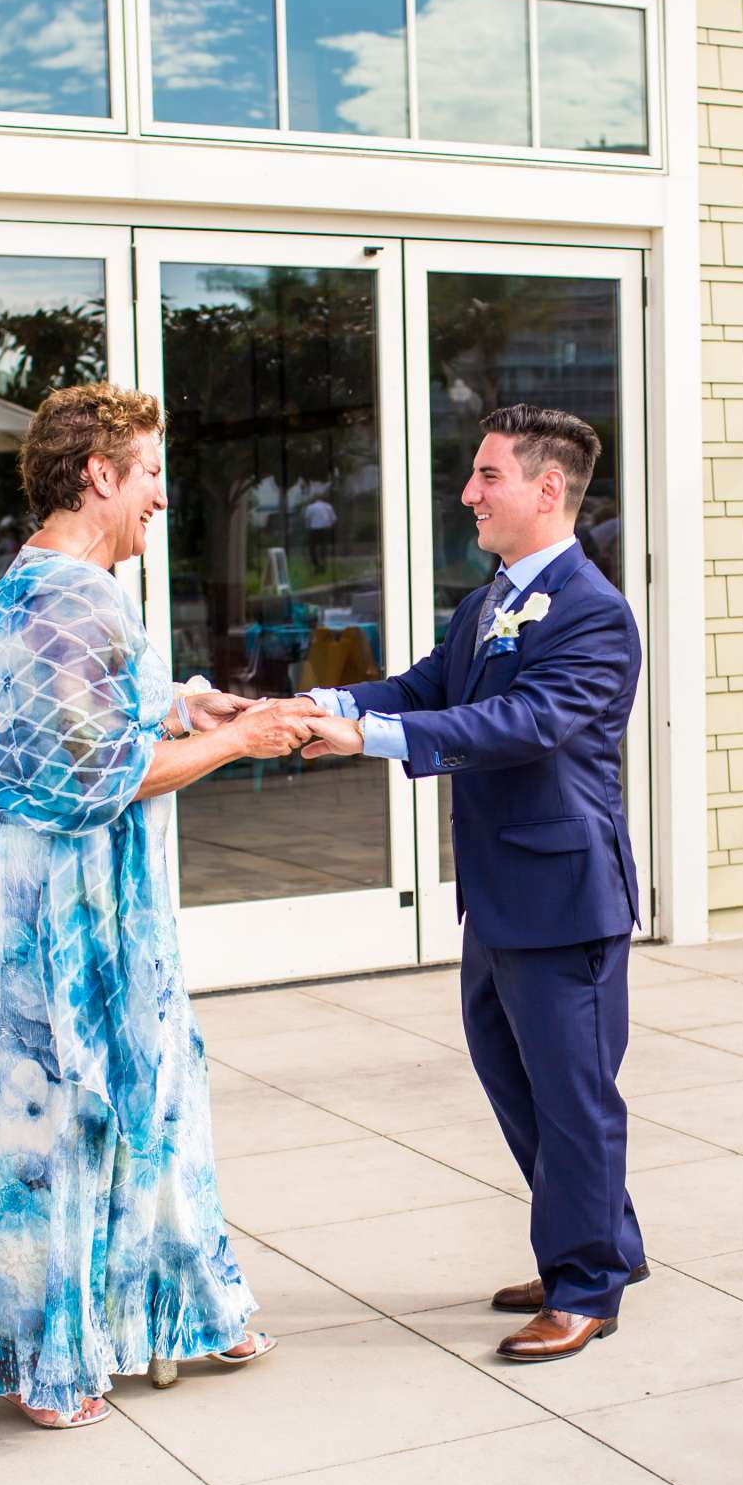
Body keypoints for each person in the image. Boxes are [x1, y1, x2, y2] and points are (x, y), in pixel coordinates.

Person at [0, 381, 312, 1431]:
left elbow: (110, 709)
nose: (161, 494)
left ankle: (184, 1308)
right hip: (63, 903)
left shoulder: (73, 589)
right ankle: (46, 1356)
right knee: (62, 1108)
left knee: (152, 1081)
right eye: (149, 472)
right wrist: (236, 741)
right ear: (98, 473)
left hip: (101, 896)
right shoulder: (63, 595)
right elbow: (91, 773)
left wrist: (194, 701)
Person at [302, 404, 643, 1363]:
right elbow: (430, 686)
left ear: (547, 488)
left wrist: (365, 738)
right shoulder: (491, 599)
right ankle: (593, 1244)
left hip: (565, 896)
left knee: (574, 1098)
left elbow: (524, 722)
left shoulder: (595, 614)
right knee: (516, 1084)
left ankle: (586, 1288)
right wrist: (318, 705)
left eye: (487, 476)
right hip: (495, 895)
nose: (469, 494)